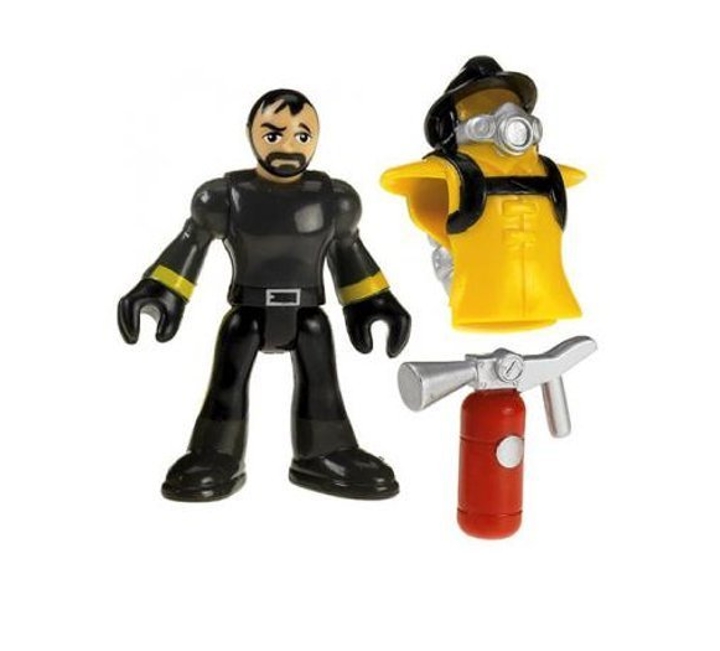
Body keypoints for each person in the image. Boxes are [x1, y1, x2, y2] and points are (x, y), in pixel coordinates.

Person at [118, 89, 411, 502]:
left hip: (308, 315)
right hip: (248, 314)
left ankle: (324, 453)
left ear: (317, 138)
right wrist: (161, 289)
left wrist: (372, 301)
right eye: (273, 135)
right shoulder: (224, 198)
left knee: (322, 386)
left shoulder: (334, 200)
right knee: (226, 385)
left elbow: (349, 252)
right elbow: (190, 243)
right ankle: (216, 454)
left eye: (302, 136)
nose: (289, 147)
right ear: (251, 135)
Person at [381, 56, 586, 331]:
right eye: (484, 105)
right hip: (477, 305)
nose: (506, 112)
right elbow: (402, 181)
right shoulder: (452, 172)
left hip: (549, 301)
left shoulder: (549, 173)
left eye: (510, 102)